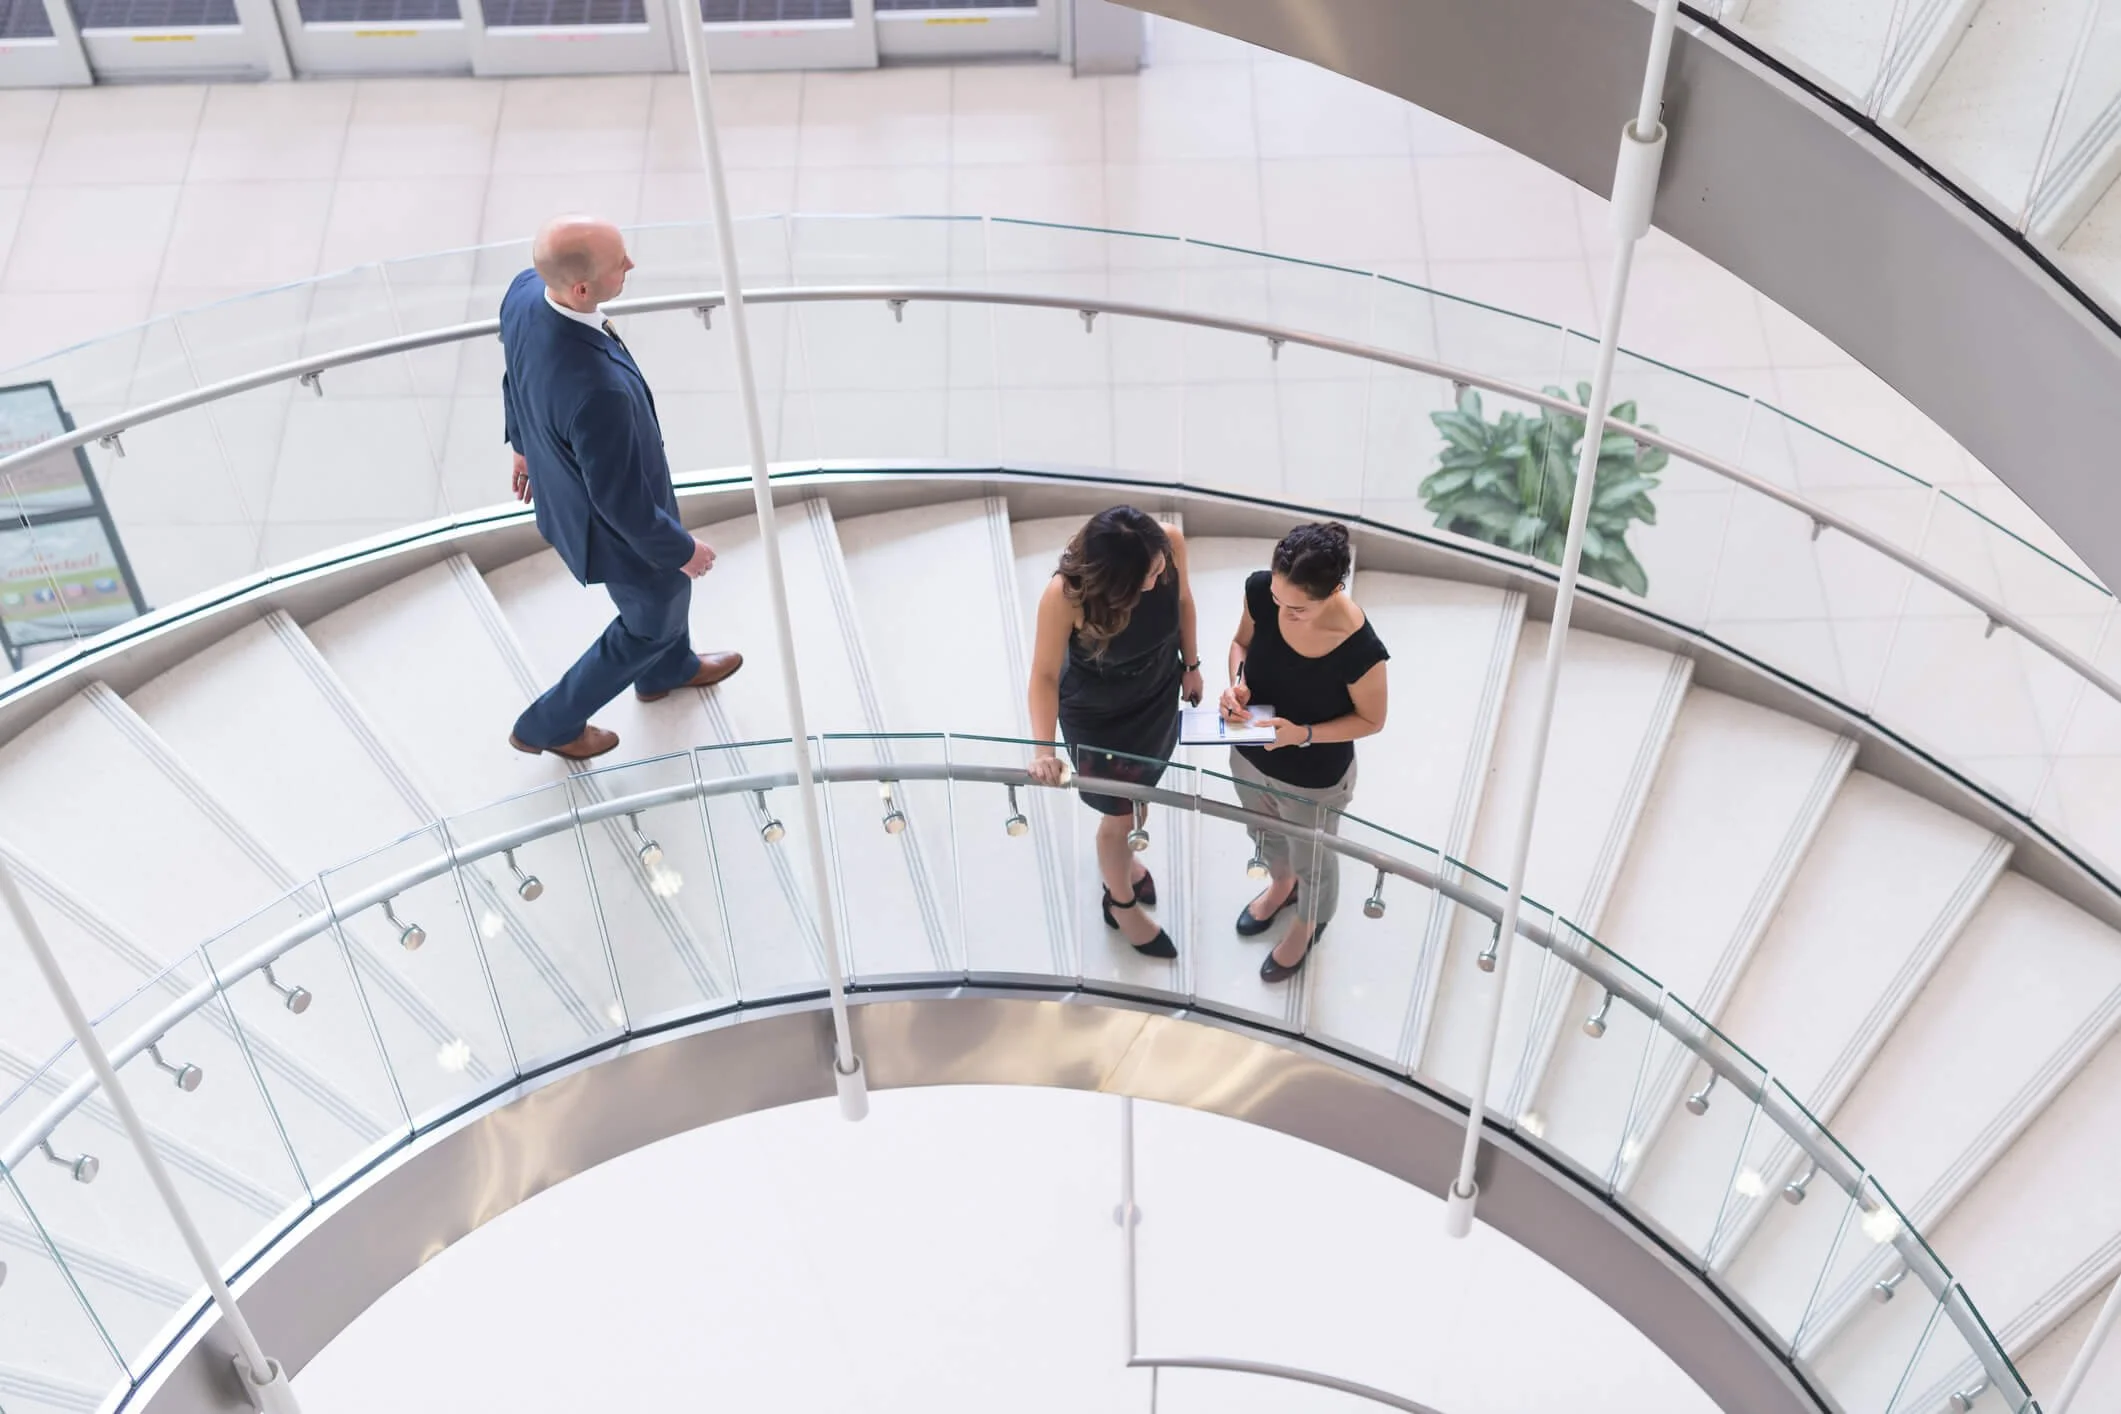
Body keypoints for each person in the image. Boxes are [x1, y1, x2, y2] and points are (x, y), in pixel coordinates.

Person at [498, 215, 742, 760]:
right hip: (614, 529)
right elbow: (620, 503)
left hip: (574, 487)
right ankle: (548, 724)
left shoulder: (523, 292)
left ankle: (668, 673)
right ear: (582, 288)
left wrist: (522, 444)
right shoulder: (597, 392)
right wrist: (682, 549)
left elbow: (514, 373)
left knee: (662, 607)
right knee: (652, 617)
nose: (630, 265)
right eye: (620, 263)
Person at [1027, 507, 1204, 960]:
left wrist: (1191, 665)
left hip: (1156, 693)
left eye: (1160, 568)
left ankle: (1123, 862)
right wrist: (1044, 749)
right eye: (1146, 577)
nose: (1156, 579)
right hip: (1101, 714)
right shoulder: (1065, 596)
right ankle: (1119, 902)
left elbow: (1183, 603)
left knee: (1138, 793)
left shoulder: (1167, 542)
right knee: (1119, 815)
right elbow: (1045, 676)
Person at [1219, 522, 1389, 982]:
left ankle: (1309, 920)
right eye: (1277, 600)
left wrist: (1304, 735)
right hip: (1250, 751)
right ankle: (1280, 885)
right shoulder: (1261, 591)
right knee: (1262, 830)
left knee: (1313, 857)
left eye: (1297, 608)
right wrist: (1238, 685)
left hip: (1313, 775)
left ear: (1333, 590)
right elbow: (1241, 644)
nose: (1282, 612)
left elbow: (1372, 720)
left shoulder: (1360, 650)